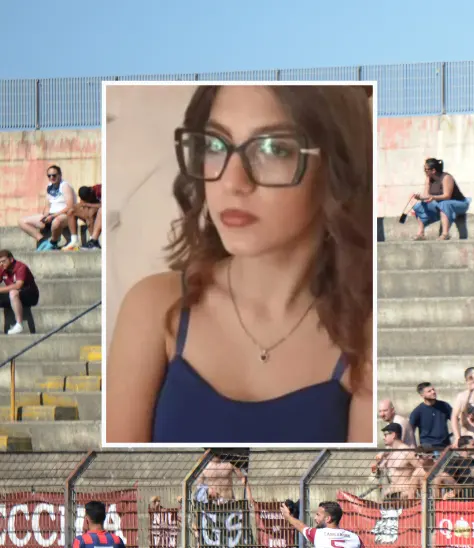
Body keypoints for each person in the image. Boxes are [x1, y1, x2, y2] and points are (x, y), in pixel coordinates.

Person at [106, 84, 374, 444]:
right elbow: (118, 477)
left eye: (273, 149)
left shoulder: (369, 335)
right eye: (215, 145)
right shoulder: (153, 308)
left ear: (336, 167)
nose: (233, 182)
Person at [18, 165, 77, 251]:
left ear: (60, 175)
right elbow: (48, 205)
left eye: (54, 175)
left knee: (56, 222)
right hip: (51, 215)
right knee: (22, 221)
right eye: (49, 176)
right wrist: (45, 216)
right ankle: (42, 241)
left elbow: (70, 206)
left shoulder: (65, 186)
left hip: (64, 215)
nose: (51, 177)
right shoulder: (49, 186)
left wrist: (53, 216)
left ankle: (53, 243)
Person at [411, 158, 471, 240]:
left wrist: (433, 197)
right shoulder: (428, 179)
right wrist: (420, 198)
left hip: (460, 203)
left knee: (444, 203)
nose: (424, 171)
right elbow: (426, 196)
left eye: (426, 169)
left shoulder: (446, 177)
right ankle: (420, 233)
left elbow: (447, 196)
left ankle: (445, 234)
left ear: (433, 170)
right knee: (419, 206)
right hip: (440, 203)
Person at [280, 501, 362, 548]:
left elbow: (300, 525)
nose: (315, 518)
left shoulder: (317, 534)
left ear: (328, 519)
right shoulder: (355, 538)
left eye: (318, 515)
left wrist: (288, 516)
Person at [0, 250, 39, 335]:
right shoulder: (2, 268)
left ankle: (19, 325)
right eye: (0, 262)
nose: (2, 264)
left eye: (3, 261)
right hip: (14, 297)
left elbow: (18, 286)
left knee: (13, 292)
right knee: (12, 293)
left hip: (30, 296)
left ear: (11, 259)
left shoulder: (21, 267)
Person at [409, 382, 452, 449]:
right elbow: (410, 431)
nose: (433, 392)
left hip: (445, 446)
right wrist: (414, 447)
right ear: (422, 395)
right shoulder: (417, 411)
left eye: (433, 389)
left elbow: (456, 420)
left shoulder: (444, 406)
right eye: (429, 391)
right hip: (427, 448)